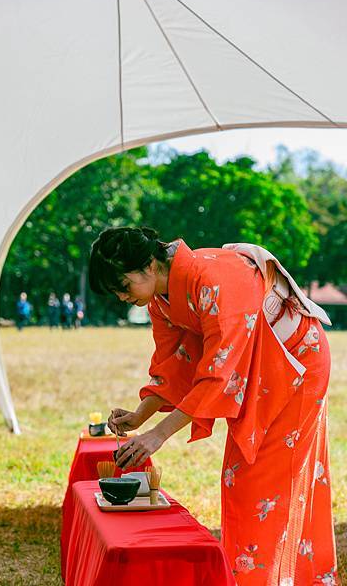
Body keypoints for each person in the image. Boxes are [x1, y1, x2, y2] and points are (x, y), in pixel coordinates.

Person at [88, 226, 338, 585]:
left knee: (266, 482)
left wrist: (158, 435)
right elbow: (176, 361)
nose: (121, 296)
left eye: (122, 286)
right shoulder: (161, 299)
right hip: (256, 367)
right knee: (243, 480)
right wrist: (140, 416)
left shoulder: (218, 277)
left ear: (147, 266)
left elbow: (220, 372)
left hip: (294, 364)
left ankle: (263, 579)